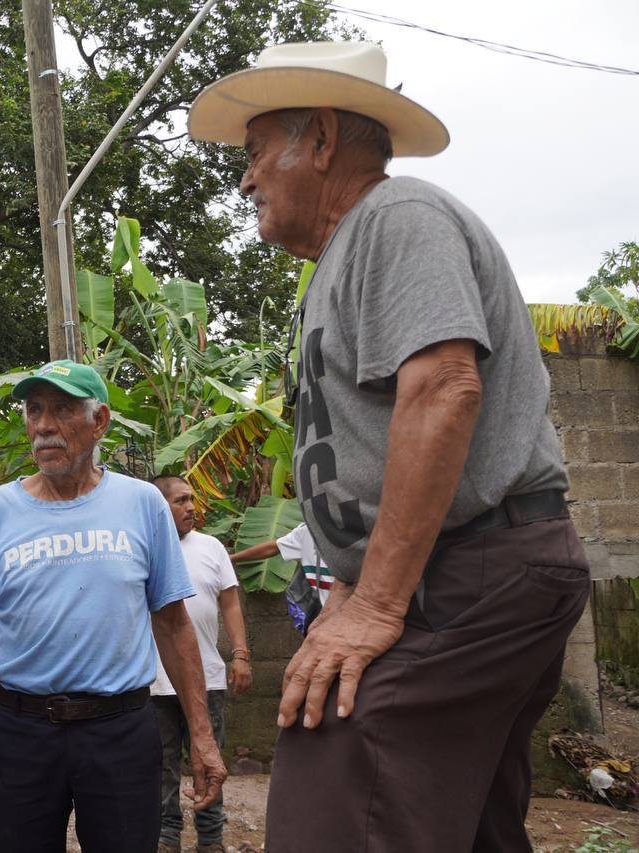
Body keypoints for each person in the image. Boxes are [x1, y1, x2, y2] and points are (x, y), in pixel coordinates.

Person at [188, 41, 589, 852]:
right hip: (455, 568)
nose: (245, 179)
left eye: (258, 153)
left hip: (470, 567)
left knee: (334, 774)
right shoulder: (347, 253)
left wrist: (376, 603)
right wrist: (351, 580)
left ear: (325, 139)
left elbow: (445, 388)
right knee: (464, 822)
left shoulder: (397, 216)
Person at [0, 360, 227, 853]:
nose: (44, 425)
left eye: (63, 410)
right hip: (22, 732)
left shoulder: (142, 504)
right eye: (34, 410)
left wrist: (202, 734)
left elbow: (173, 626)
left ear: (100, 423)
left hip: (121, 730)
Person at [150, 475, 251, 853]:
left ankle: (211, 838)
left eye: (191, 499)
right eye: (180, 501)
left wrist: (240, 654)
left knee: (209, 760)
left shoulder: (211, 548)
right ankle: (166, 837)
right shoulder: (144, 548)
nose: (191, 507)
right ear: (159, 507)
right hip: (153, 681)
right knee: (162, 764)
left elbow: (230, 603)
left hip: (206, 677)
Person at [230, 522, 331, 634]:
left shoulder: (351, 534)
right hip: (324, 616)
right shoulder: (307, 532)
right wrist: (231, 558)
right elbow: (272, 548)